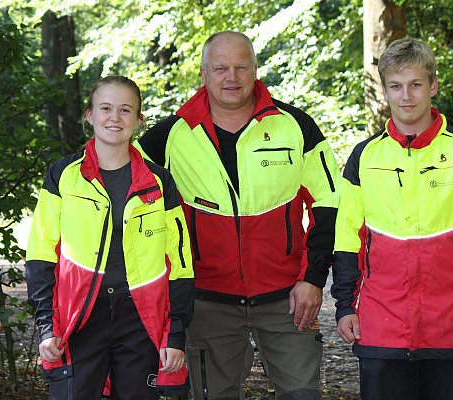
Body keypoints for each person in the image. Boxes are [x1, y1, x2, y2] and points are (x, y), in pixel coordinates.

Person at [135, 31, 340, 400]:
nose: (232, 77)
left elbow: (330, 204)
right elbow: (122, 194)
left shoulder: (295, 126)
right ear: (203, 73)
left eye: (241, 66)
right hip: (206, 301)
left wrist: (313, 278)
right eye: (221, 68)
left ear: (256, 69)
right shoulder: (166, 137)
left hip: (287, 299)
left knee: (303, 396)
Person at [332, 38, 453, 400]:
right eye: (396, 86)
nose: (406, 96)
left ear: (432, 86)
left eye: (416, 84)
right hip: (380, 325)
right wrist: (343, 305)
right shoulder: (363, 157)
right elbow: (346, 238)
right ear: (384, 90)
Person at [25, 75, 195, 400]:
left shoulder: (160, 183)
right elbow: (40, 253)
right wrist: (48, 325)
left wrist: (175, 333)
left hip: (139, 318)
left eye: (125, 110)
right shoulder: (63, 175)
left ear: (138, 120)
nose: (114, 118)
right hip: (80, 316)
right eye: (105, 108)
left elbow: (180, 261)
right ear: (89, 115)